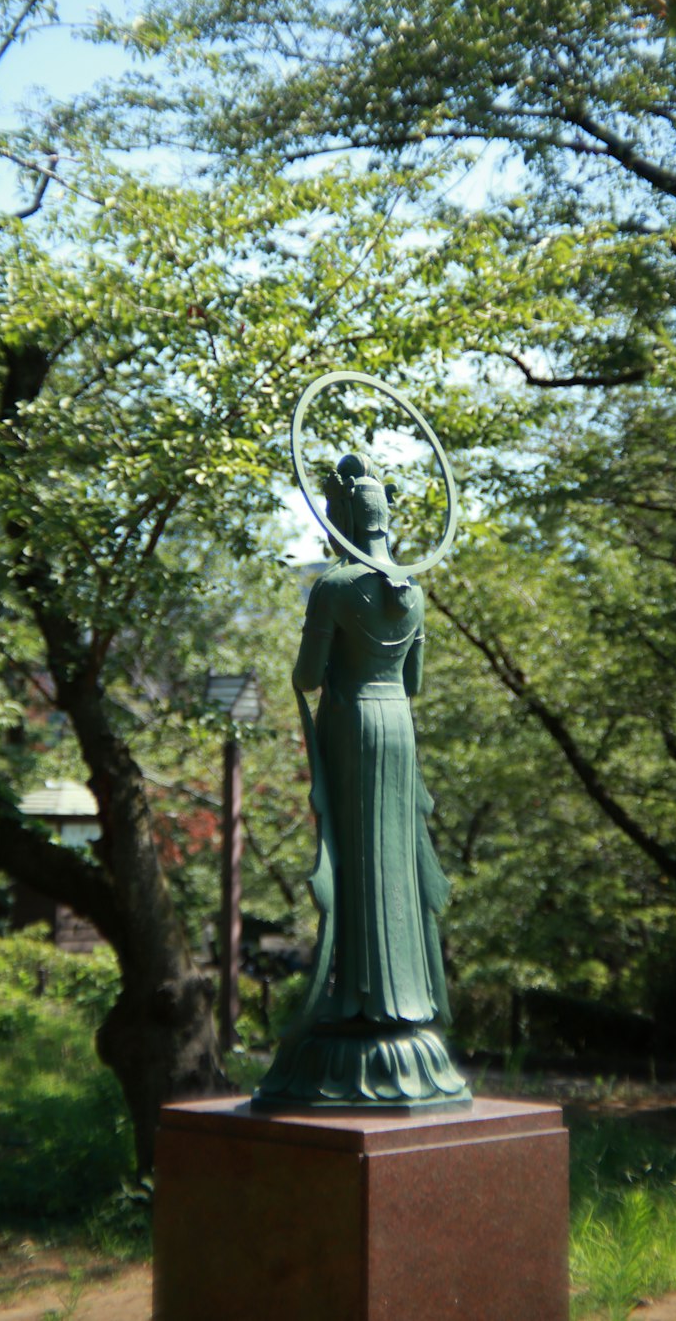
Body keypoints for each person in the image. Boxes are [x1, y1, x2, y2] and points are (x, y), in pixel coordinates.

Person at [254, 453, 469, 1109]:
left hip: (350, 726)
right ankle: (404, 999)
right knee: (393, 860)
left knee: (357, 861)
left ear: (343, 518)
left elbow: (307, 677)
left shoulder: (335, 587)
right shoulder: (414, 589)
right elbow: (414, 683)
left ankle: (362, 999)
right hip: (398, 729)